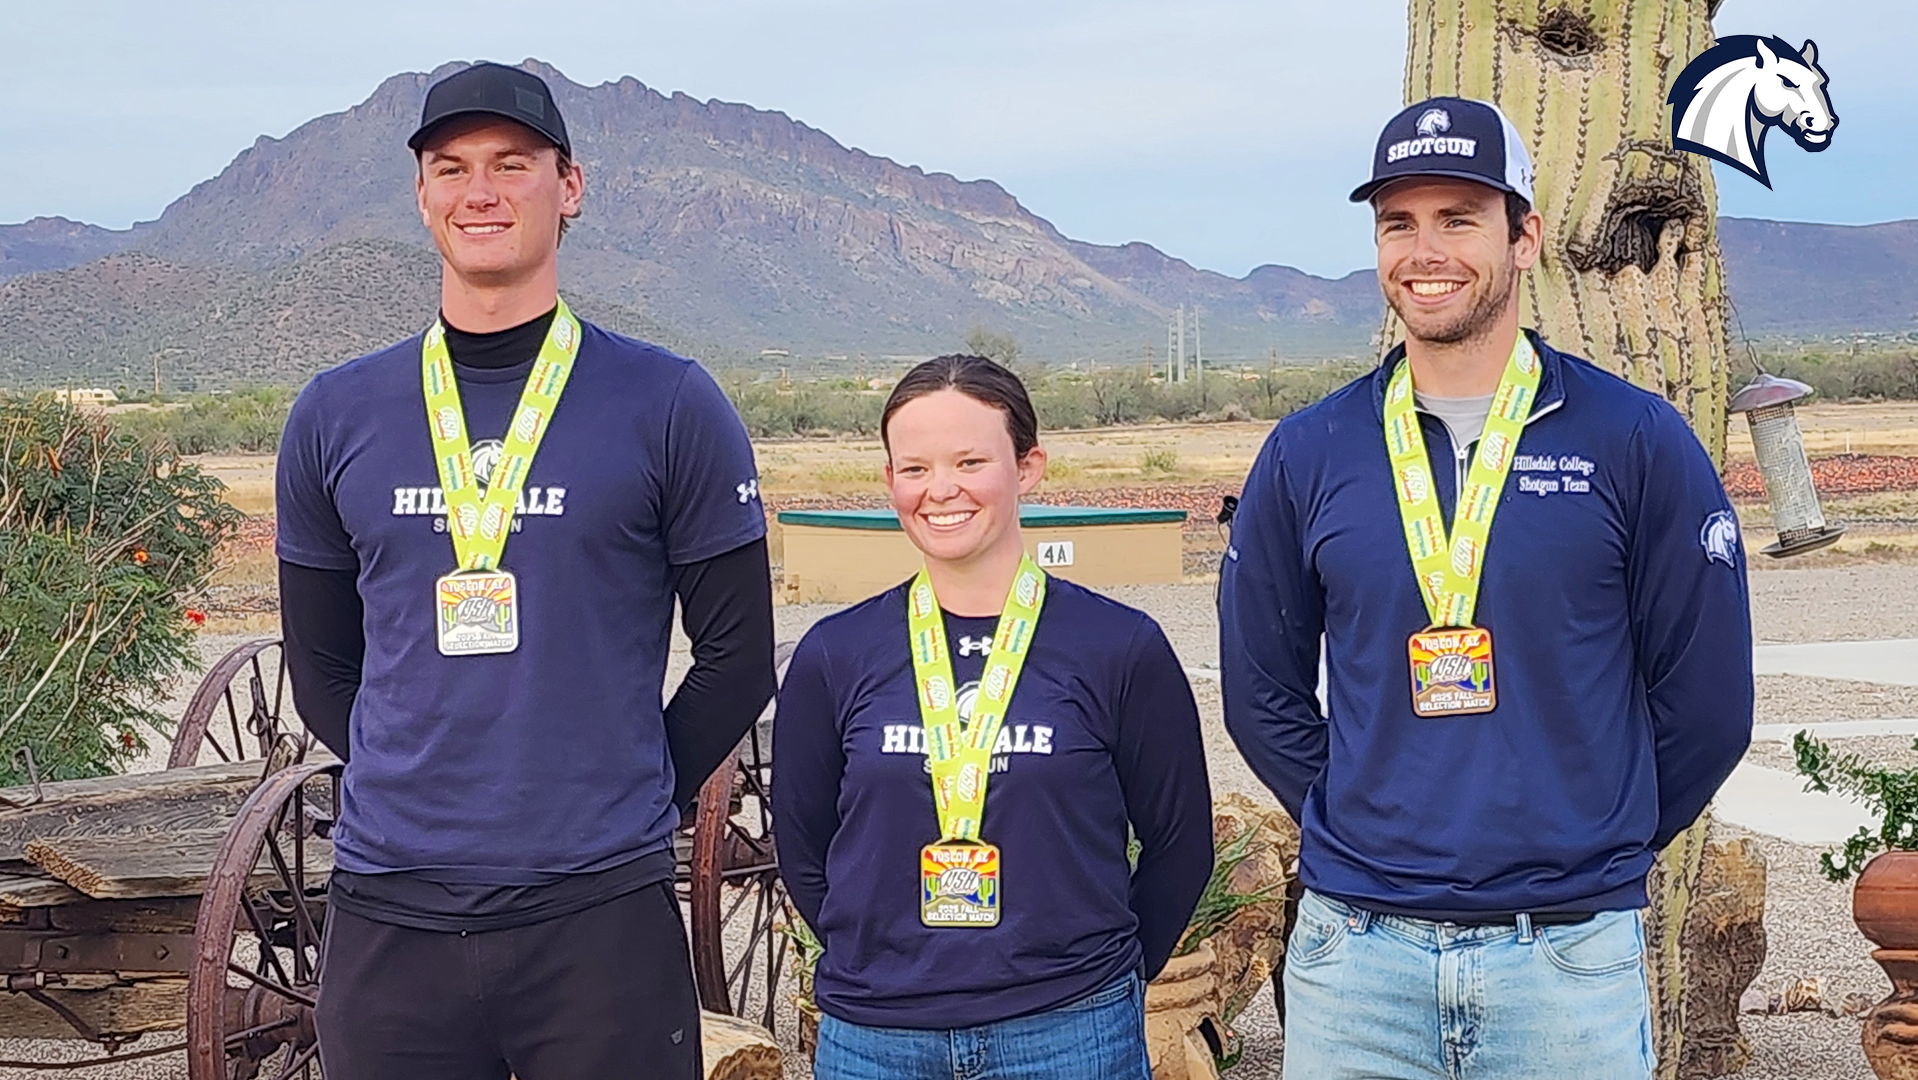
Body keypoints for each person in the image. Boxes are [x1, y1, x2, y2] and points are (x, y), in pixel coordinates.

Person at [1219, 97, 1753, 1079]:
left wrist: (1589, 835)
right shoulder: (1308, 453)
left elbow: (1708, 706)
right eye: (1399, 222)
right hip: (1358, 962)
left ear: (1522, 236)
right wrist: (1363, 815)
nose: (1425, 250)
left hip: (1561, 963)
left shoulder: (1633, 443)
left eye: (1458, 217)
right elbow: (1260, 691)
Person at [275, 62, 776, 1080]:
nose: (482, 191)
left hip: (598, 915)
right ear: (422, 196)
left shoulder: (669, 402)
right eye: (451, 167)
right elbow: (321, 663)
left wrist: (627, 792)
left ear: (570, 186)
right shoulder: (334, 413)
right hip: (391, 912)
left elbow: (739, 658)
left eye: (513, 163)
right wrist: (409, 779)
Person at [772, 355, 1214, 1080]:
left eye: (970, 461)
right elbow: (803, 848)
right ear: (889, 483)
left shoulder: (1118, 647)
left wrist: (1097, 976)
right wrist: (885, 963)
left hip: (1069, 1033)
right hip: (878, 1041)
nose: (940, 490)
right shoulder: (835, 654)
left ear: (1028, 467)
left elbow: (1179, 844)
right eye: (913, 469)